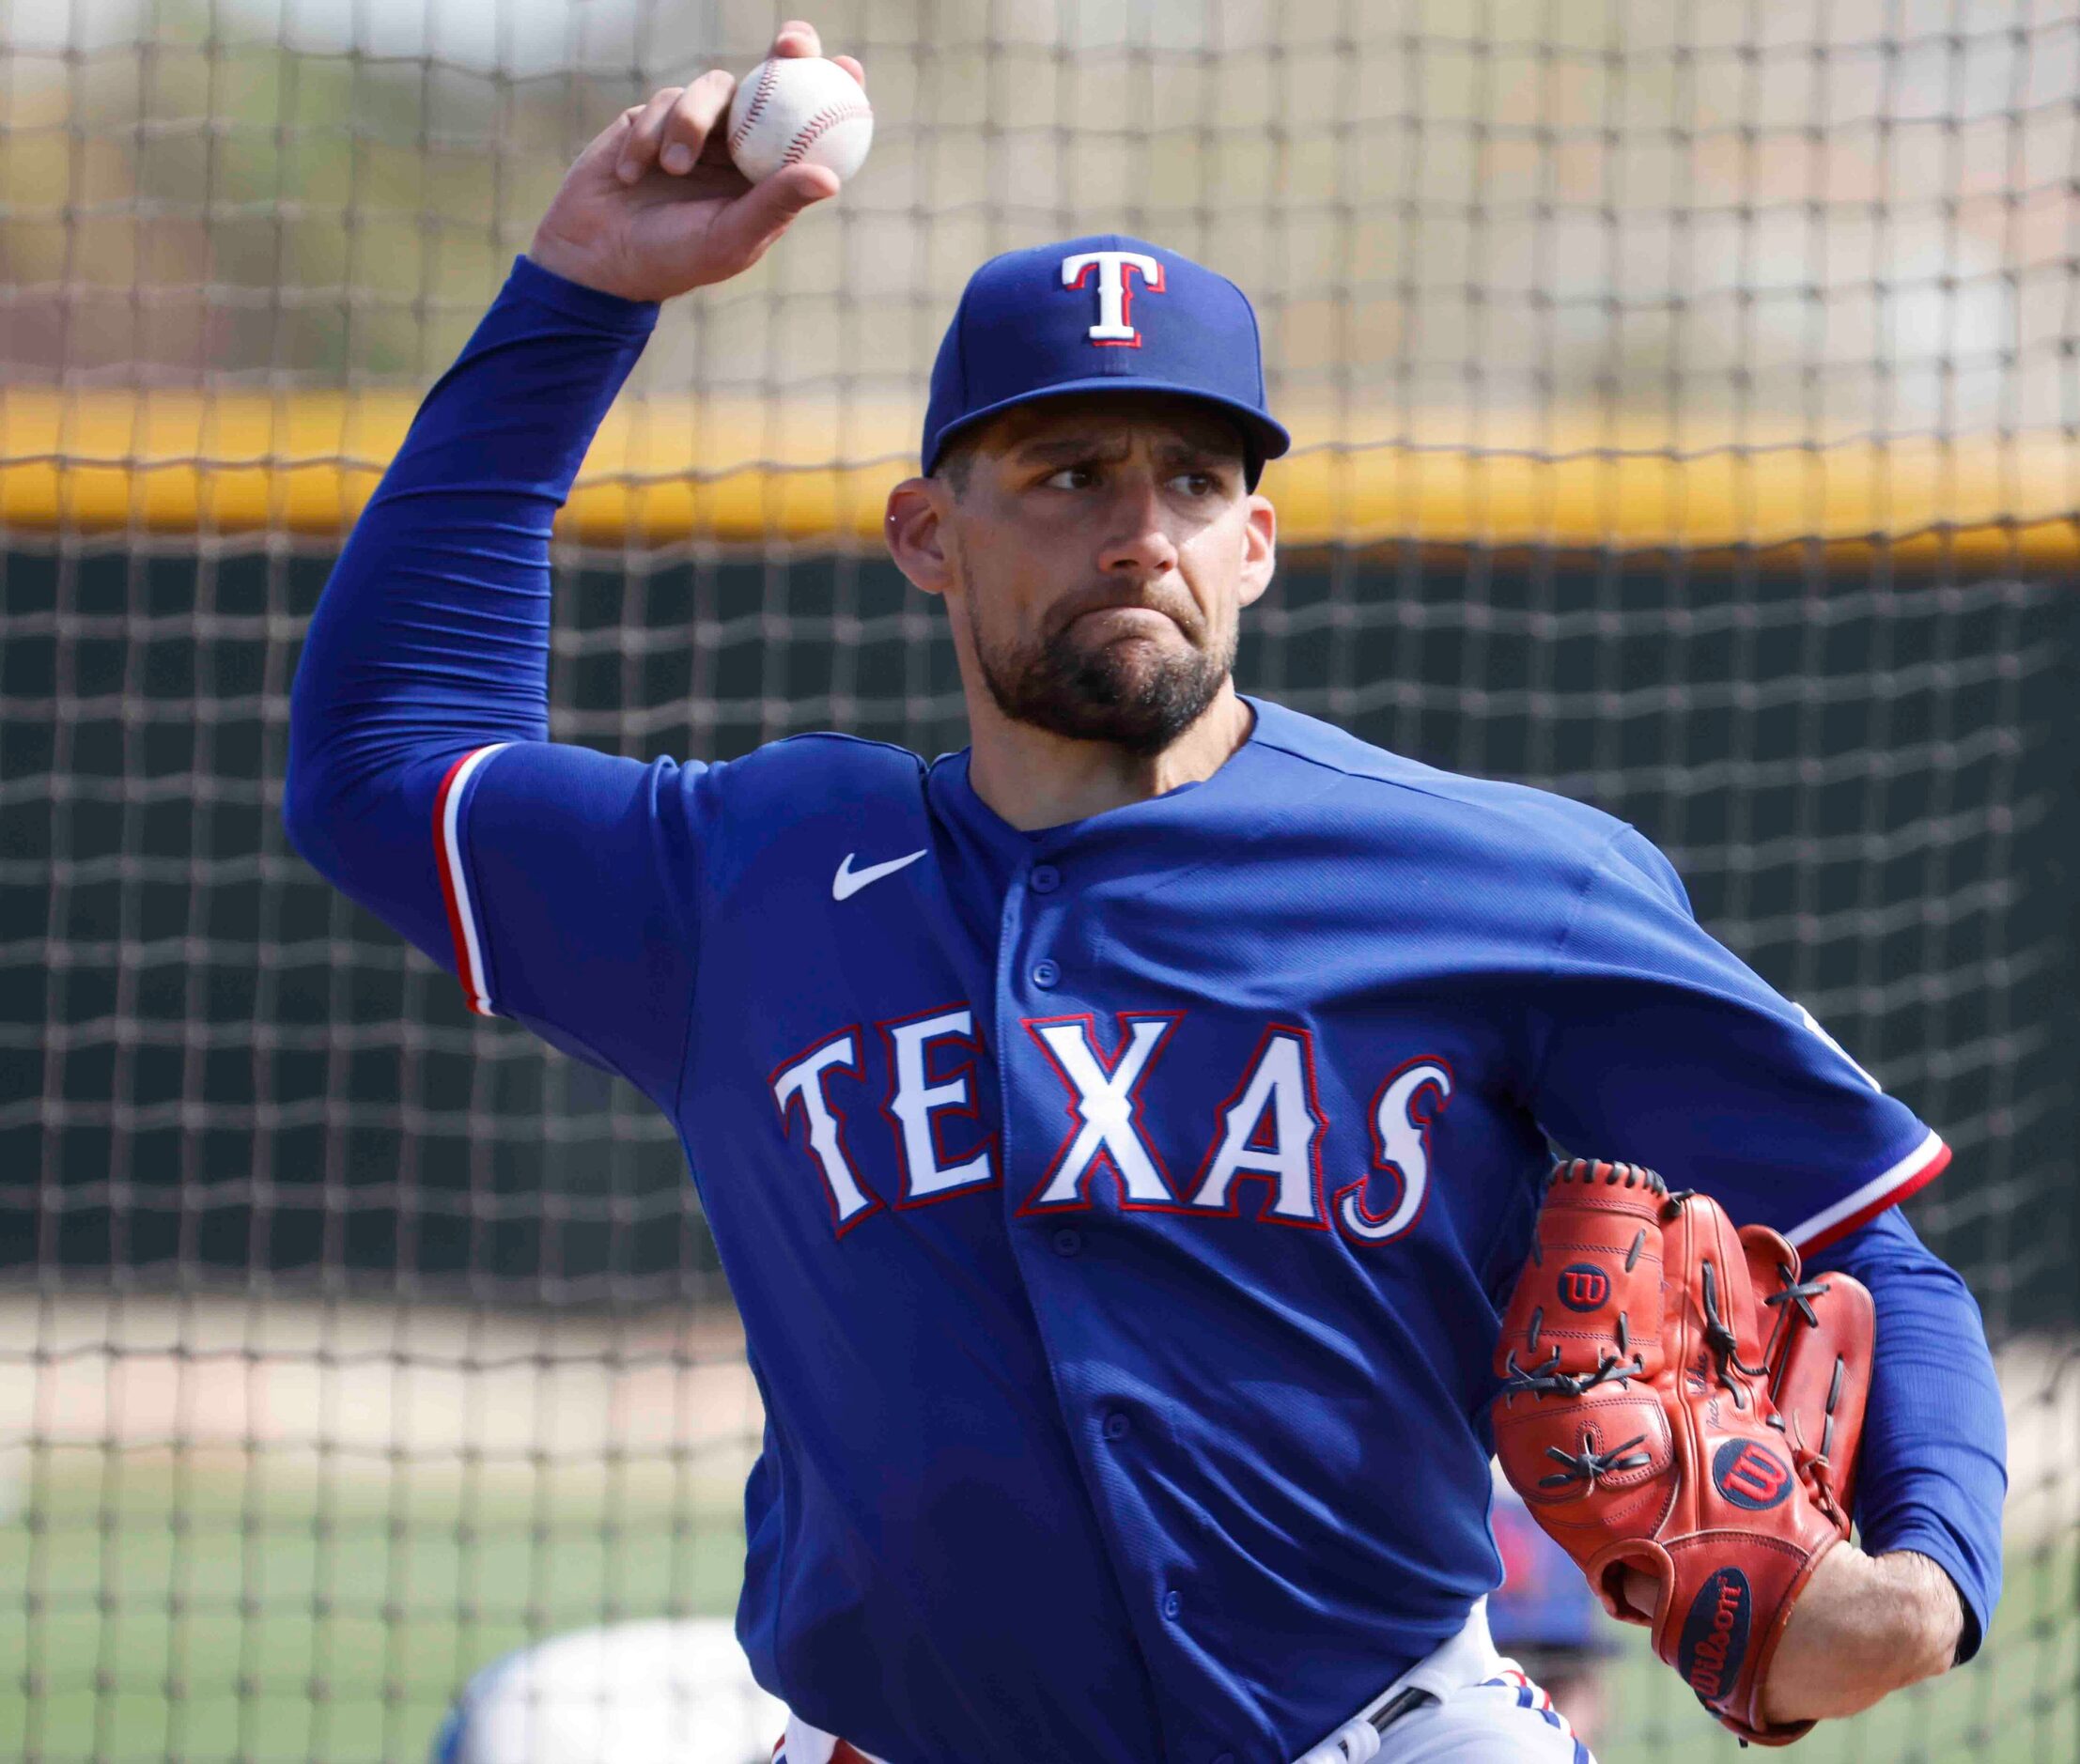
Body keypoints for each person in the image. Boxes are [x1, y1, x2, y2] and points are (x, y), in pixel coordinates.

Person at [285, 20, 2005, 1763]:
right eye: (1065, 473)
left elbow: (1868, 1236)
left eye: (1192, 477)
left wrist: (1927, 1579)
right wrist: (580, 290)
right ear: (923, 533)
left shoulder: (1495, 877)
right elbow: (381, 762)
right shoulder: (755, 871)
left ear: (1254, 542)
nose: (1139, 530)